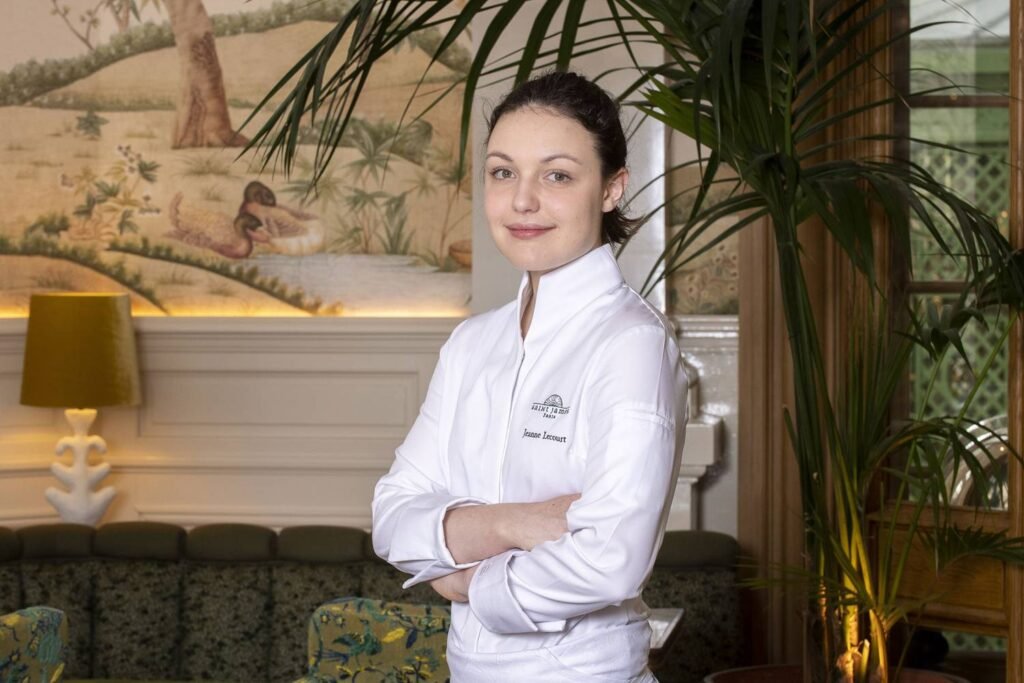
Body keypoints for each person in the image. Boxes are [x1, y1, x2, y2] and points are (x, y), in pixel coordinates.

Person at [372, 71, 688, 682]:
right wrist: (513, 522)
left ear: (612, 188)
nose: (522, 200)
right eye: (502, 172)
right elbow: (391, 516)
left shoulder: (632, 343)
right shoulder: (471, 343)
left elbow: (611, 562)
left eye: (557, 175)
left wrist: (465, 580)